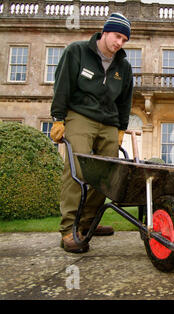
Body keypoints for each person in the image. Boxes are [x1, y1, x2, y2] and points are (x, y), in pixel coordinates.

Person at [50, 13, 133, 253]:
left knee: (106, 176)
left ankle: (87, 223)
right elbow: (62, 85)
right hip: (80, 116)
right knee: (77, 170)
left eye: (124, 40)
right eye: (117, 36)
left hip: (108, 122)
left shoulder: (123, 67)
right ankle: (68, 229)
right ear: (105, 32)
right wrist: (58, 118)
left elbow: (125, 101)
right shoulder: (76, 52)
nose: (120, 43)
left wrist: (120, 129)